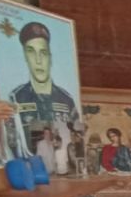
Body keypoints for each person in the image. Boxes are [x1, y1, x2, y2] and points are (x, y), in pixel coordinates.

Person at [8, 22, 78, 155]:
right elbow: (12, 142)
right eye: (31, 52)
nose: (38, 60)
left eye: (43, 53)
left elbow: (76, 135)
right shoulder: (16, 98)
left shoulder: (67, 100)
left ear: (50, 58)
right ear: (25, 56)